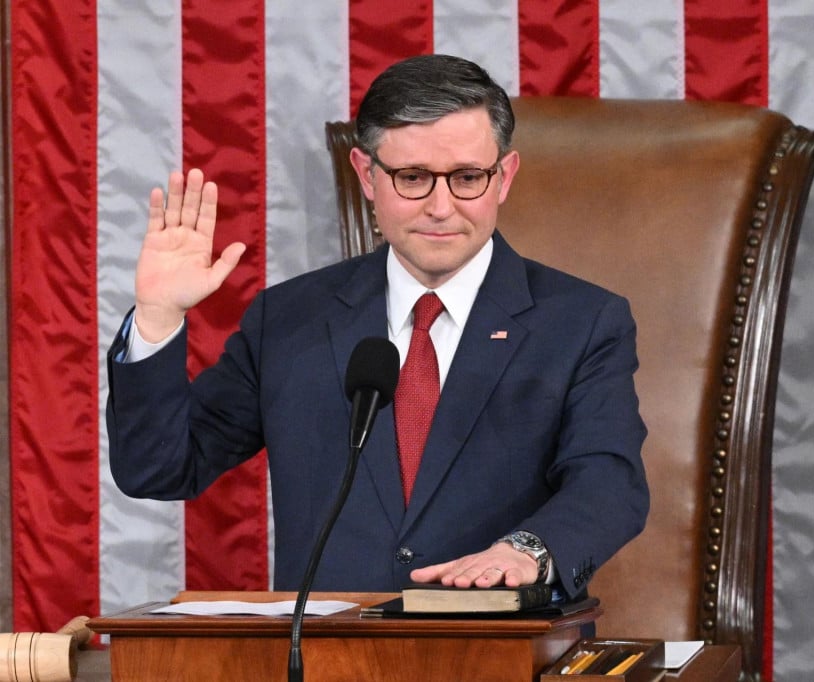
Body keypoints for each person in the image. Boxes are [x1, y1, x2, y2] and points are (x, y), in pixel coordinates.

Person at [107, 54, 649, 600]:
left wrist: (526, 551)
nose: (442, 207)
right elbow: (159, 468)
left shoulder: (581, 322)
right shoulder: (290, 319)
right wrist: (158, 316)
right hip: (325, 658)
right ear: (366, 174)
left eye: (467, 178)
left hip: (499, 648)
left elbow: (608, 482)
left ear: (503, 177)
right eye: (412, 178)